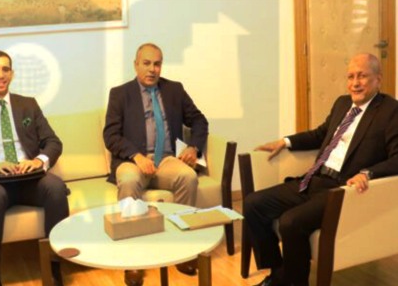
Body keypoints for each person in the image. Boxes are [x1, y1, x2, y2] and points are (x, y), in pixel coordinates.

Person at [245, 53, 398, 286]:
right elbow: (320, 134)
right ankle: (278, 274)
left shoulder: (390, 111)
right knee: (254, 203)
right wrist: (285, 142)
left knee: (290, 222)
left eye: (362, 76)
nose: (355, 83)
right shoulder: (342, 103)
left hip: (342, 190)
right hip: (314, 179)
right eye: (350, 77)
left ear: (378, 79)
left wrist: (368, 173)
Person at [0, 50, 69, 286]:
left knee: (56, 188)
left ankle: (53, 266)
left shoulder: (28, 105)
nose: (0, 74)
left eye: (5, 69)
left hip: (28, 179)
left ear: (12, 74)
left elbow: (53, 142)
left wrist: (38, 161)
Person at [103, 43, 209, 280]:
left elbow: (199, 120)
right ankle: (132, 259)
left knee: (188, 177)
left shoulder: (174, 90)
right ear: (136, 65)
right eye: (146, 63)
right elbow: (110, 135)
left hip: (167, 159)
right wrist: (136, 156)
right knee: (129, 180)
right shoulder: (120, 94)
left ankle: (182, 249)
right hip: (132, 160)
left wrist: (194, 147)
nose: (152, 69)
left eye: (157, 64)